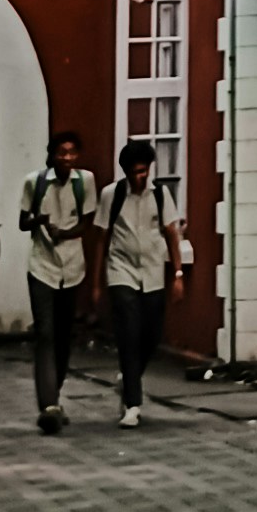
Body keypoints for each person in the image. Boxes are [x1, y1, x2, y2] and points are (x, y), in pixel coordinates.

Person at [20, 126, 105, 432]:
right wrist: (38, 221)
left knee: (63, 335)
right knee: (45, 333)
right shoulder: (35, 182)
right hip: (42, 266)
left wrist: (63, 233)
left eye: (72, 152)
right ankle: (49, 404)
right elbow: (22, 222)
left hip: (72, 267)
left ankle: (53, 395)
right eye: (61, 153)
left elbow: (86, 224)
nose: (67, 158)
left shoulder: (86, 182)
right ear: (52, 156)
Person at [99, 135, 185, 428]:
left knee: (151, 335)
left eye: (144, 170)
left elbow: (172, 234)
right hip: (121, 269)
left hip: (152, 272)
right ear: (126, 171)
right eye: (135, 171)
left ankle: (129, 377)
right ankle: (133, 404)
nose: (141, 176)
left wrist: (177, 274)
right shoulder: (112, 195)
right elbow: (103, 237)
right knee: (128, 333)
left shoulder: (160, 195)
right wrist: (100, 281)